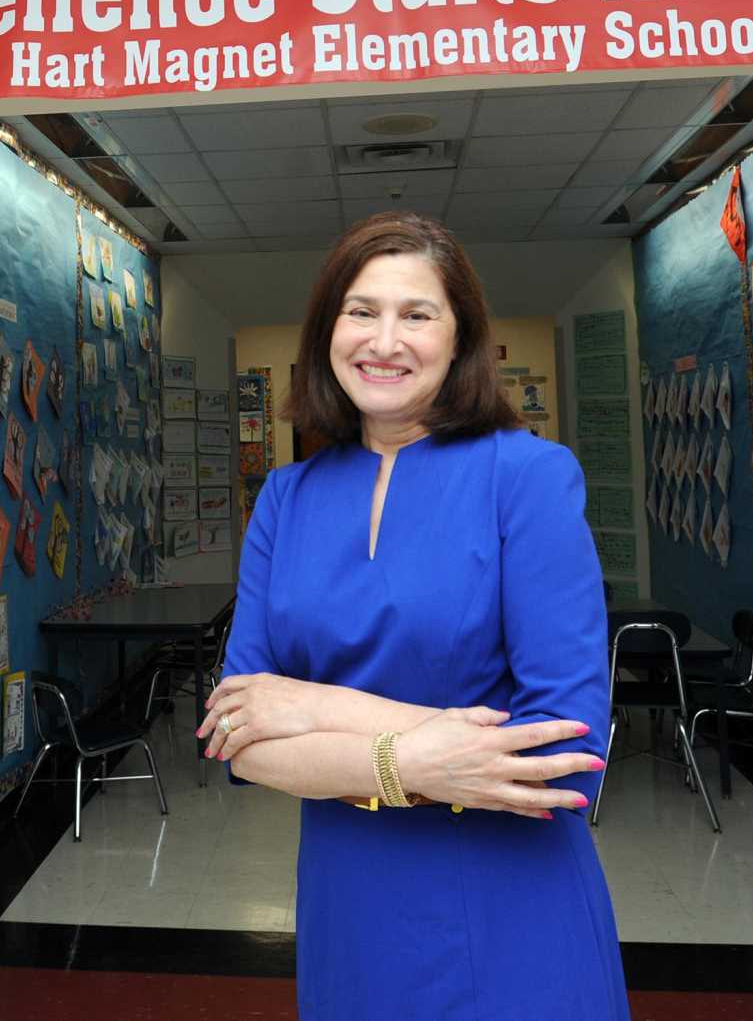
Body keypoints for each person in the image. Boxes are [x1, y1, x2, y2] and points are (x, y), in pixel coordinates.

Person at [197, 212, 623, 1020]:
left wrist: (321, 708)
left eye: (416, 314)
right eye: (361, 311)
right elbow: (237, 740)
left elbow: (564, 755)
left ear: (461, 340)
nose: (384, 340)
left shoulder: (527, 478)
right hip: (347, 906)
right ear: (327, 332)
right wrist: (422, 760)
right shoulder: (285, 501)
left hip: (510, 911)